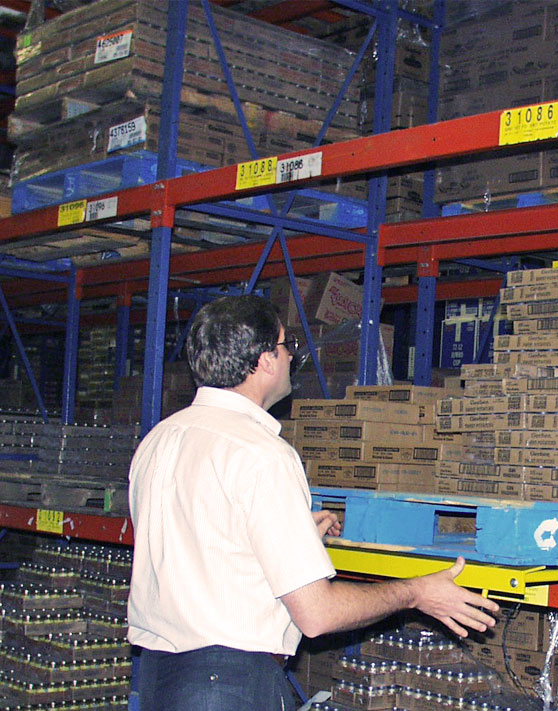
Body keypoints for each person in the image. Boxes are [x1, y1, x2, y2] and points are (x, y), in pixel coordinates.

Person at [127, 294, 499, 711]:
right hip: (227, 684)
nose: (291, 359)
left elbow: (197, 544)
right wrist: (416, 593)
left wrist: (291, 539)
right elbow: (317, 614)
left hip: (160, 677)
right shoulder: (262, 454)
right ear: (265, 359)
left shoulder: (159, 440)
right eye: (287, 347)